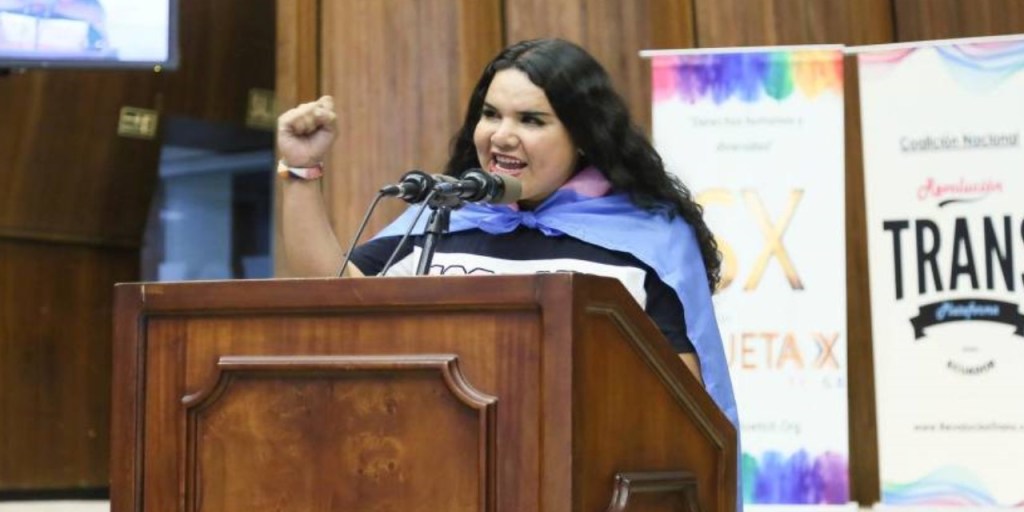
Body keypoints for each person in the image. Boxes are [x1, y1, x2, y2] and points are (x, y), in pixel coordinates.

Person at [277, 38, 738, 432]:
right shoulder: (445, 219)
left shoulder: (644, 242)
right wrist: (301, 170)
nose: (501, 136)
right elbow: (333, 293)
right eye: (491, 114)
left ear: (583, 136)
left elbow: (682, 410)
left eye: (530, 120)